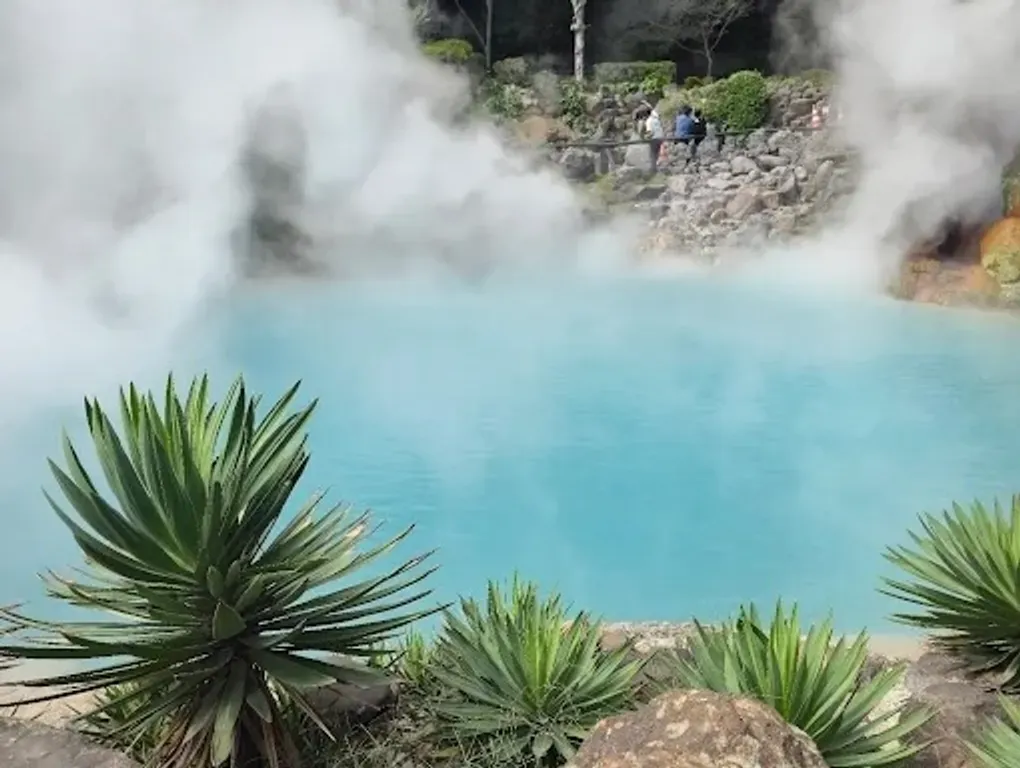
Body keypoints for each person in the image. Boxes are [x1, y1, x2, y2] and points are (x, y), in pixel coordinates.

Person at [645, 106, 665, 174]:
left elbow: (650, 132)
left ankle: (654, 170)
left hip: (654, 139)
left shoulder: (648, 121)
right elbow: (652, 109)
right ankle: (659, 168)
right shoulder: (656, 118)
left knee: (653, 155)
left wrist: (645, 137)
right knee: (659, 154)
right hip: (661, 137)